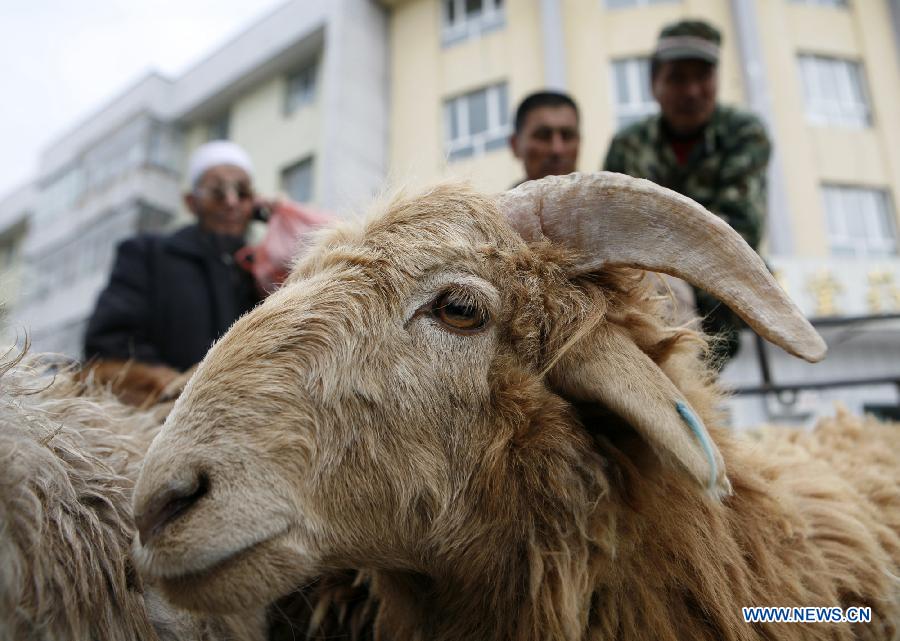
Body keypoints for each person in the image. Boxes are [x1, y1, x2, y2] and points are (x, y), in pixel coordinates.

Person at [603, 19, 771, 365]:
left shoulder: (744, 134)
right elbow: (612, 233)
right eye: (677, 77)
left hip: (717, 288)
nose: (692, 90)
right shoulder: (628, 145)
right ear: (654, 84)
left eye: (703, 76)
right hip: (646, 291)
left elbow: (739, 231)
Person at [83, 140, 266, 403]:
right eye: (217, 191)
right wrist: (172, 388)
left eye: (243, 192)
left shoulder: (261, 271)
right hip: (157, 426)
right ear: (191, 202)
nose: (231, 202)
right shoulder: (146, 254)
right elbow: (108, 342)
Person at [509, 91, 580, 185]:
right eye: (543, 136)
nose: (557, 149)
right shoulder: (496, 200)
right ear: (515, 145)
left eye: (567, 135)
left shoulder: (604, 197)